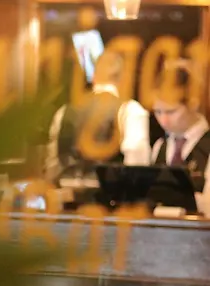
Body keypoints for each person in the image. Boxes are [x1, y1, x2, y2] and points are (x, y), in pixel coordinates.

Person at [44, 50, 151, 185]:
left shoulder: (64, 112)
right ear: (123, 78)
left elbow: (52, 165)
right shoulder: (131, 110)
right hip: (109, 194)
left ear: (94, 76)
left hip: (67, 192)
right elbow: (137, 167)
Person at [151, 61, 210, 215]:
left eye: (171, 112)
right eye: (158, 112)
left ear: (193, 104)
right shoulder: (159, 146)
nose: (163, 121)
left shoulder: (207, 146)